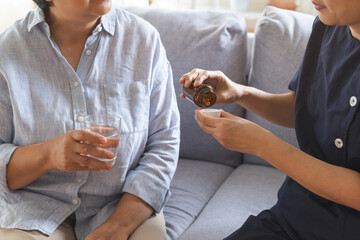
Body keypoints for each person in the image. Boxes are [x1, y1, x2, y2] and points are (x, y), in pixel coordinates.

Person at [0, 0, 180, 239]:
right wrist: (49, 154)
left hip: (123, 205)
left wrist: (119, 225)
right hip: (32, 208)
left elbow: (164, 144)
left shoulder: (144, 40)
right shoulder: (7, 51)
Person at [180, 0, 360, 239]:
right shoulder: (327, 27)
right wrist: (239, 92)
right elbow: (304, 109)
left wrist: (263, 145)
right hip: (293, 216)